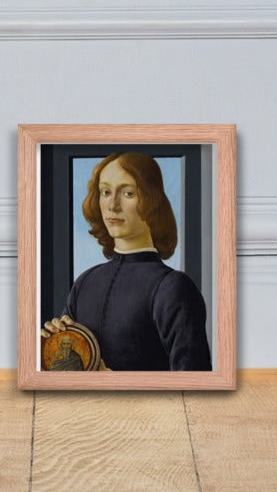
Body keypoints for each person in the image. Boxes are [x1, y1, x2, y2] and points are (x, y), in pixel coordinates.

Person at [44, 153, 211, 372]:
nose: (112, 205)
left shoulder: (173, 287)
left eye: (128, 193)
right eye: (105, 192)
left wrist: (111, 382)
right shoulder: (85, 283)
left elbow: (194, 390)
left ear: (152, 200)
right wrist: (49, 347)